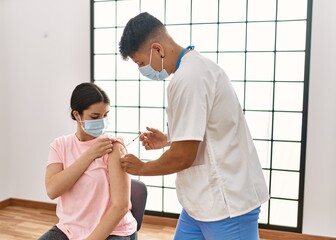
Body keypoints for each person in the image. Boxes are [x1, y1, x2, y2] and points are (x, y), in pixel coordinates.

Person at [118, 12, 270, 240]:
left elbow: (183, 157)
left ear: (157, 49)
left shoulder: (189, 78)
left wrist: (141, 168)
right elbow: (211, 127)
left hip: (227, 205)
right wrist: (169, 139)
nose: (141, 70)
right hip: (199, 204)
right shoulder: (194, 69)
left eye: (140, 63)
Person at [39, 83, 137, 240]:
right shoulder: (60, 145)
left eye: (106, 115)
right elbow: (52, 190)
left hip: (114, 230)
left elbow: (121, 206)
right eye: (95, 117)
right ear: (77, 115)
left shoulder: (113, 147)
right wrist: (89, 154)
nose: (102, 121)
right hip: (70, 228)